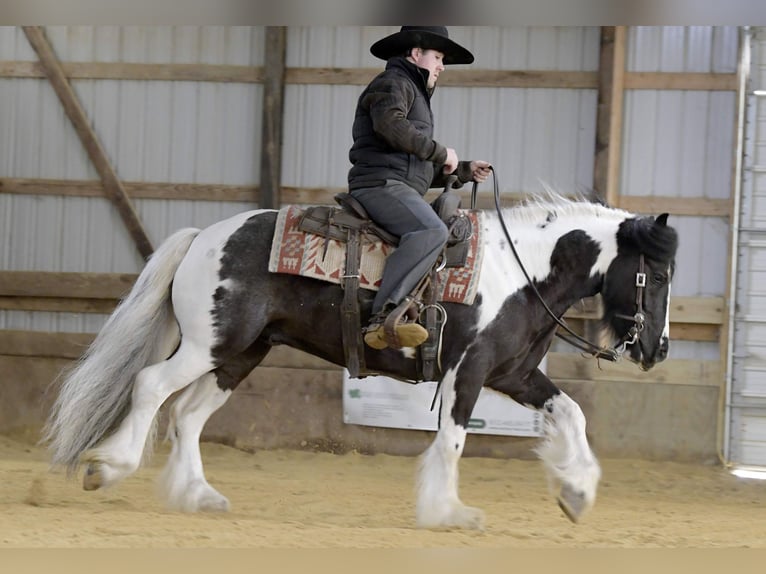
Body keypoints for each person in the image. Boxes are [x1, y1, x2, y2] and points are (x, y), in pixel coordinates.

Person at [347, 26, 491, 350]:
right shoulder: (393, 84)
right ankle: (383, 319)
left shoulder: (410, 90)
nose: (441, 66)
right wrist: (442, 152)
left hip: (397, 184)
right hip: (379, 185)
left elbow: (414, 167)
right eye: (437, 57)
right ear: (416, 54)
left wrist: (463, 169)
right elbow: (390, 126)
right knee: (431, 232)